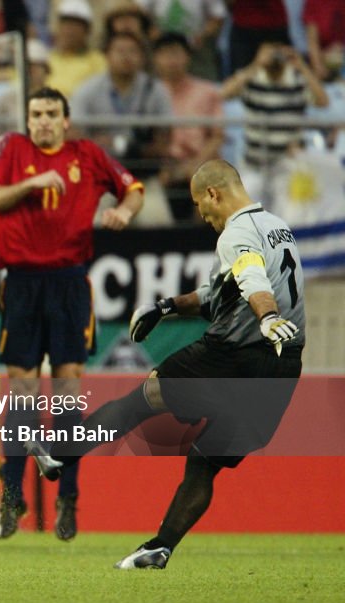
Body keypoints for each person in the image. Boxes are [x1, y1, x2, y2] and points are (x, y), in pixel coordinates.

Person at [27, 159, 305, 569]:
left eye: (197, 204)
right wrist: (166, 307)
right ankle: (160, 547)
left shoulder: (237, 231)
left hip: (235, 352)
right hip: (283, 367)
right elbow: (219, 292)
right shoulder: (278, 227)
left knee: (149, 393)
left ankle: (59, 453)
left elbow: (251, 279)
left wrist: (265, 317)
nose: (200, 214)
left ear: (213, 194)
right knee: (205, 459)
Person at [0, 86, 143, 541]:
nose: (42, 121)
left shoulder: (86, 153)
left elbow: (133, 189)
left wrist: (124, 210)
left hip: (69, 283)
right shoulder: (11, 149)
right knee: (22, 393)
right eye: (35, 113)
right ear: (27, 119)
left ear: (66, 120)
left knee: (67, 392)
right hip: (22, 283)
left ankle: (68, 498)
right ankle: (11, 498)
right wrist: (29, 184)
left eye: (50, 113)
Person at [71, 30, 174, 225]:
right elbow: (75, 138)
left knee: (159, 223)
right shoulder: (87, 90)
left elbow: (164, 142)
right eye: (119, 51)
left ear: (142, 57)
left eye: (133, 51)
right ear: (106, 55)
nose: (126, 56)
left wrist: (112, 144)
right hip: (100, 177)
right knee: (91, 223)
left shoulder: (156, 90)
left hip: (143, 177)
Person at [221, 41, 329, 206]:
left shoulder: (297, 81)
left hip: (289, 166)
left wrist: (301, 66)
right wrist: (256, 64)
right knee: (243, 209)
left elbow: (323, 101)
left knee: (292, 211)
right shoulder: (252, 78)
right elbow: (223, 94)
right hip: (254, 165)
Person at [153, 31, 224, 222]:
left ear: (188, 57)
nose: (171, 60)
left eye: (176, 53)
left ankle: (199, 246)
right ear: (155, 59)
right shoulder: (149, 94)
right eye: (165, 54)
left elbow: (217, 137)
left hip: (199, 162)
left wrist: (194, 165)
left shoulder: (208, 91)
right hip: (161, 164)